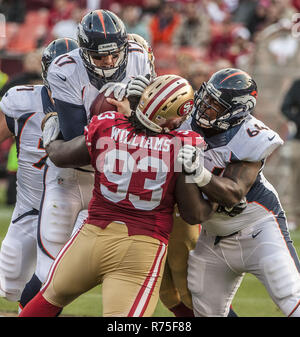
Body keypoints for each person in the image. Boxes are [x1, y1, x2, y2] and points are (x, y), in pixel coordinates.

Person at [19, 75, 215, 317]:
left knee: (48, 299)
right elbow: (193, 213)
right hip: (141, 247)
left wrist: (50, 137)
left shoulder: (107, 126)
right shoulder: (182, 146)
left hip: (92, 237)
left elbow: (61, 155)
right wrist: (210, 190)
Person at [21, 9, 155, 308]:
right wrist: (129, 116)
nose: (108, 62)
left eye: (113, 54)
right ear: (83, 53)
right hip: (69, 177)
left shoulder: (138, 54)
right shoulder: (65, 68)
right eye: (99, 57)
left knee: (105, 269)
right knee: (48, 274)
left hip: (112, 181)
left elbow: (155, 127)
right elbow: (75, 142)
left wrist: (142, 107)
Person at [178, 67, 300, 317]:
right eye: (206, 97)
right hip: (213, 236)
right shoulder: (184, 119)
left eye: (215, 103)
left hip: (258, 228)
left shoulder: (250, 134)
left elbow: (234, 193)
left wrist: (198, 173)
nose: (204, 106)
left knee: (291, 296)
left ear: (237, 110)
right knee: (206, 310)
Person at [0, 38, 79, 308]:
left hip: (75, 208)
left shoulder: (96, 104)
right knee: (10, 280)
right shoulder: (22, 100)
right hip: (30, 207)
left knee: (50, 281)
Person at [279, 78, 300, 230]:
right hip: (299, 141)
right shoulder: (297, 84)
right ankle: (296, 216)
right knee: (297, 180)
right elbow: (285, 107)